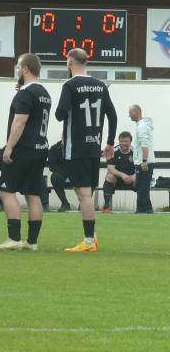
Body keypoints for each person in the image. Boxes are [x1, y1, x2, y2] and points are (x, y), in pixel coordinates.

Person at [56, 47, 117, 252]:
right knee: (84, 192)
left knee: (83, 194)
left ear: (69, 61)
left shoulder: (69, 85)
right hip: (94, 146)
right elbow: (112, 115)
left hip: (76, 147)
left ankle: (89, 241)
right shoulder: (100, 85)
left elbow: (60, 114)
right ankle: (92, 237)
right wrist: (109, 142)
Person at [0, 53, 51, 251]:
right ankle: (32, 242)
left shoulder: (25, 93)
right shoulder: (44, 92)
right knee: (33, 194)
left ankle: (14, 238)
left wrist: (9, 147)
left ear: (25, 69)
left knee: (6, 190)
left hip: (23, 148)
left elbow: (20, 121)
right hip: (40, 148)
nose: (17, 70)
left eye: (18, 67)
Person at [101, 132, 135, 213]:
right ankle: (106, 206)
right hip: (117, 179)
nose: (124, 143)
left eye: (126, 141)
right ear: (119, 141)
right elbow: (110, 168)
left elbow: (140, 168)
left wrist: (134, 176)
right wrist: (122, 175)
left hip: (131, 179)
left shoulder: (136, 151)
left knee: (140, 178)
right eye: (122, 141)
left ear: (130, 142)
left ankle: (142, 207)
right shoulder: (113, 151)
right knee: (109, 176)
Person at [130, 104, 155, 213]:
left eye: (130, 113)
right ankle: (147, 209)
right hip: (144, 161)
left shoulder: (142, 126)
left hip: (144, 162)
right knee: (142, 186)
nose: (129, 115)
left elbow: (145, 144)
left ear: (136, 112)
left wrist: (144, 161)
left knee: (142, 187)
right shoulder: (143, 125)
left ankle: (142, 210)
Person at [46, 140, 72, 212]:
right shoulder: (54, 148)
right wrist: (64, 174)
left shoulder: (80, 147)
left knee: (90, 177)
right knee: (55, 177)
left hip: (77, 176)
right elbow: (52, 166)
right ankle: (65, 203)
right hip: (61, 176)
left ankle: (83, 204)